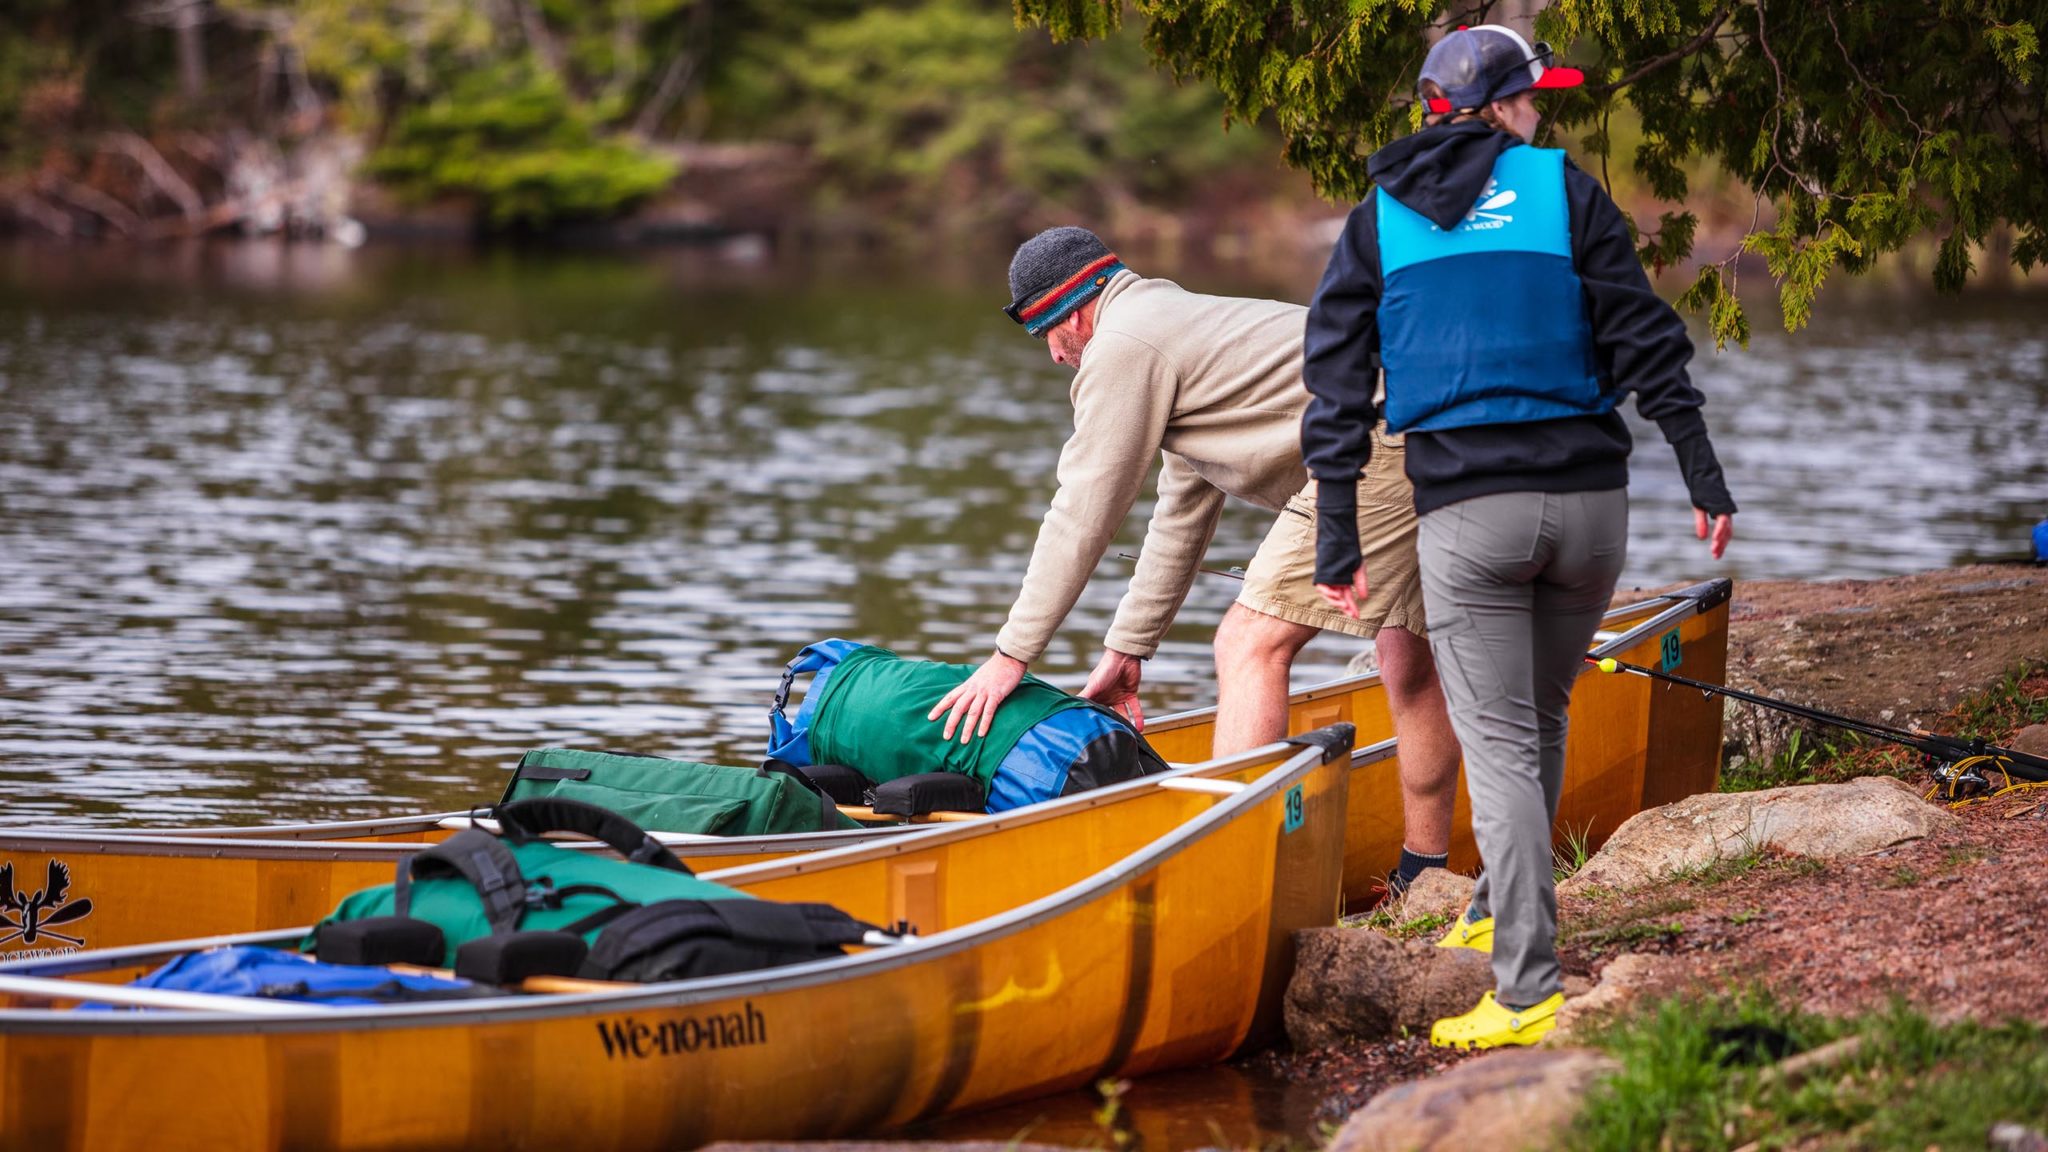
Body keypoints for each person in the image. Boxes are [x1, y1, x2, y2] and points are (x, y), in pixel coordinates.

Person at [1301, 25, 1737, 1048]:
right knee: (1533, 717)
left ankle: (1524, 985)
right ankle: (1502, 908)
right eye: (1533, 99)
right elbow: (1641, 334)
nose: (1542, 113)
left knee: (1496, 738)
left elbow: (1331, 385)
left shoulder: (1378, 219)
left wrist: (1336, 537)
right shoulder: (1565, 192)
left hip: (1470, 515)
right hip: (1591, 510)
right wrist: (1700, 472)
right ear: (1498, 108)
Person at [929, 226, 1463, 891]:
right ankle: (1426, 878)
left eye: (1048, 340)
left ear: (1070, 312)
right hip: (1441, 421)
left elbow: (1082, 510)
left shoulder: (1124, 345)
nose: (1057, 360)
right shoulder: (1176, 328)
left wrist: (1010, 656)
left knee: (1248, 643)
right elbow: (1179, 518)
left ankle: (1233, 883)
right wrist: (1129, 648)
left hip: (1384, 438)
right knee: (1406, 657)